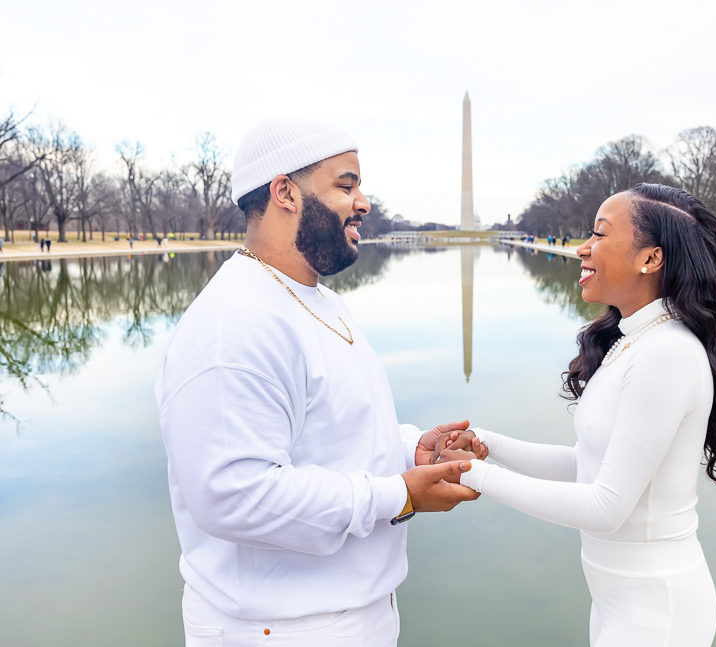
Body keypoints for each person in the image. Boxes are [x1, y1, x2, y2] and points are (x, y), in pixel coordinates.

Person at [155, 118, 484, 647]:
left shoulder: (316, 298)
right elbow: (233, 494)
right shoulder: (232, 325)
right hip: (280, 631)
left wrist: (409, 452)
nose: (364, 202)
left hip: (344, 618)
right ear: (285, 191)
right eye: (346, 185)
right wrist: (396, 496)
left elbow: (333, 431)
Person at [439, 184, 716, 646]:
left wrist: (474, 475)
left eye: (599, 234)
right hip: (620, 600)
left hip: (655, 611)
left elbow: (605, 507)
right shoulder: (635, 340)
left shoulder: (665, 352)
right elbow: (586, 465)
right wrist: (490, 445)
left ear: (650, 259)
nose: (581, 248)